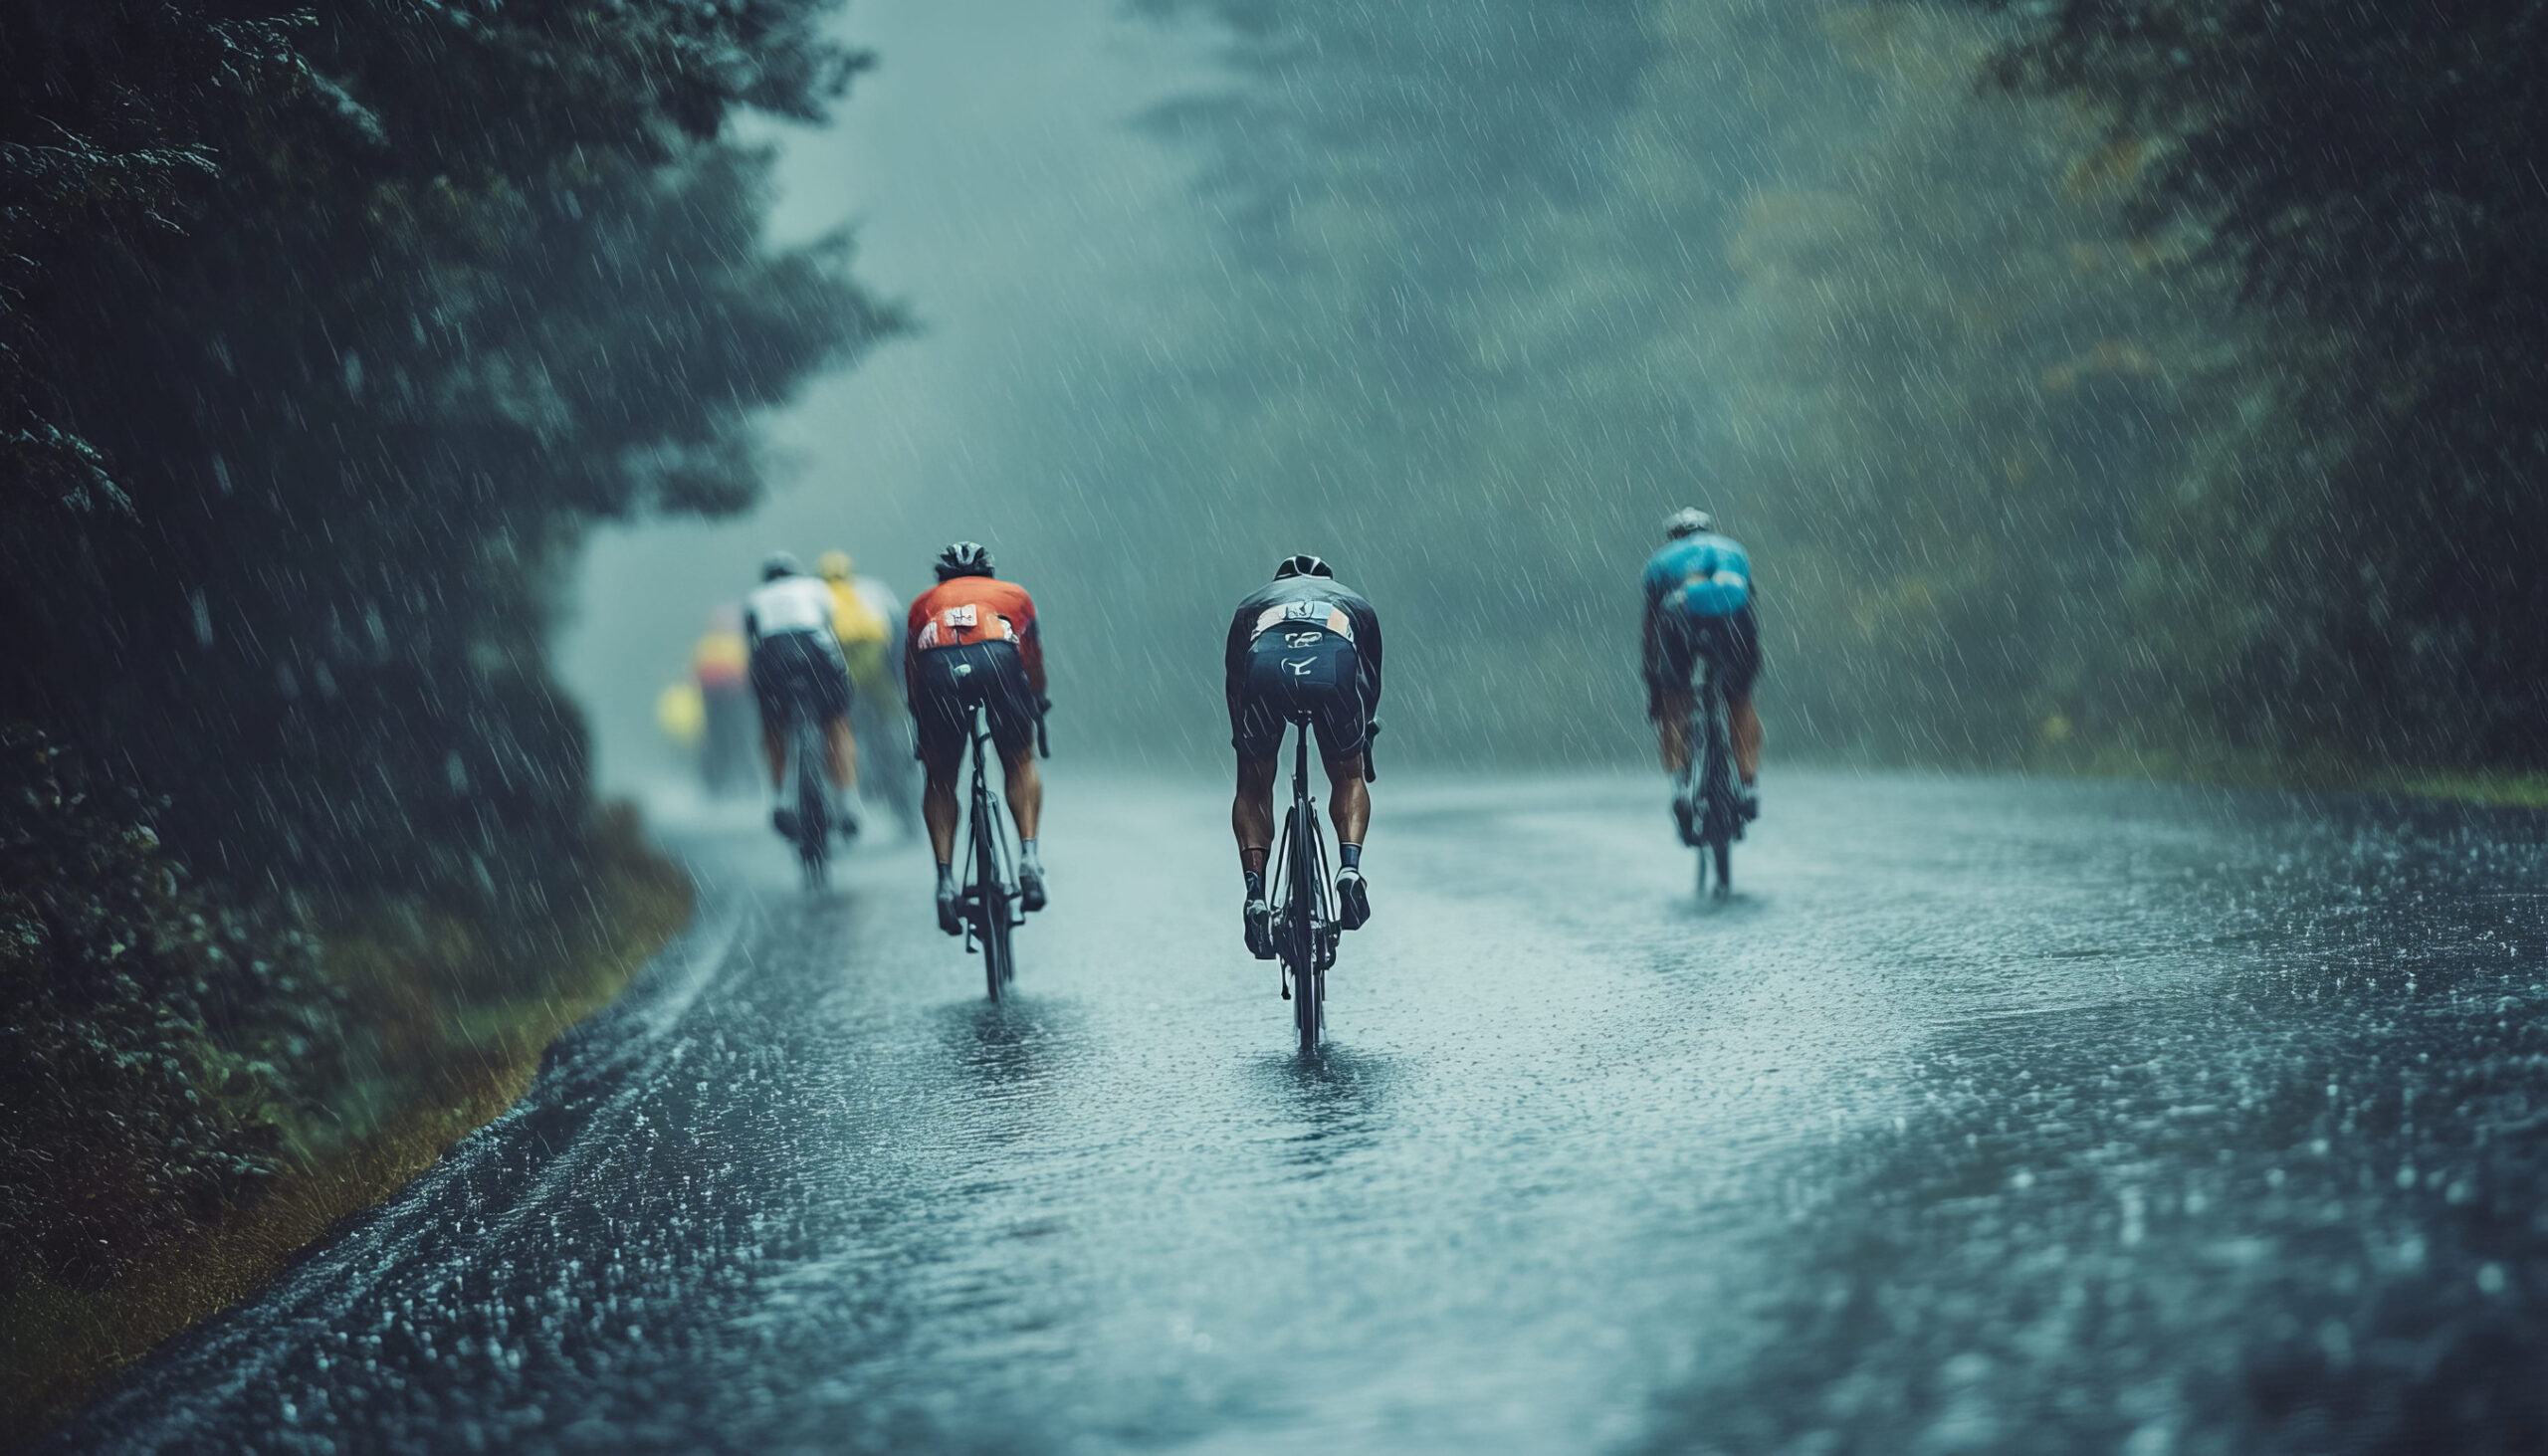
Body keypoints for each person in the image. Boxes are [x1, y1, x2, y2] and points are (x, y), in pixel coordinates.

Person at [1224, 553, 1382, 958]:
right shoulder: (1354, 603)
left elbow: (1236, 685)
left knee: (1254, 783)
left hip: (1266, 669)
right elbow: (1370, 683)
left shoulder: (1252, 604)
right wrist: (1360, 744)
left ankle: (1256, 894)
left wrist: (1245, 743)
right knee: (1348, 776)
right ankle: (1349, 869)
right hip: (1334, 667)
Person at [904, 541, 1047, 934]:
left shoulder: (923, 604)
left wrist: (923, 722)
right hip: (998, 662)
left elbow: (912, 670)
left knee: (940, 779)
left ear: (941, 577)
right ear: (989, 573)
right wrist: (1036, 701)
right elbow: (1030, 659)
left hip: (938, 672)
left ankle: (946, 882)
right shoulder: (1014, 595)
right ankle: (1029, 859)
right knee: (1019, 761)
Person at [1640, 508, 1762, 840]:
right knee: (1739, 699)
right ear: (1710, 529)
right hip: (1735, 620)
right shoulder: (1734, 550)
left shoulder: (1660, 562)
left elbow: (1650, 634)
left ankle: (1681, 788)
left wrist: (1656, 687)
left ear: (1672, 537)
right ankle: (1748, 783)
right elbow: (1748, 606)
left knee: (1675, 703)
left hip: (1681, 618)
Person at [744, 552, 859, 838]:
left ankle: (781, 798)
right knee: (837, 722)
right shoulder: (814, 588)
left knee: (774, 726)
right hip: (815, 648)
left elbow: (752, 639)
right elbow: (829, 625)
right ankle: (848, 802)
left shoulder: (756, 597)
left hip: (773, 653)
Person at [821, 549, 920, 832]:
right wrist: (903, 675)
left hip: (842, 675)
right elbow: (901, 628)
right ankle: (904, 780)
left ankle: (851, 789)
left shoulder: (816, 594)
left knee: (839, 732)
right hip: (880, 671)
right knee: (894, 727)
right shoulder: (873, 589)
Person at [692, 605, 754, 796]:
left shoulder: (711, 645)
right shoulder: (715, 645)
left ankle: (731, 782)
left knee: (727, 742)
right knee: (729, 742)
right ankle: (728, 782)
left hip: (726, 704)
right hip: (723, 704)